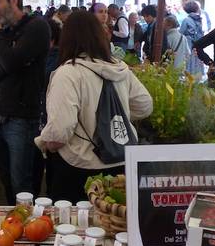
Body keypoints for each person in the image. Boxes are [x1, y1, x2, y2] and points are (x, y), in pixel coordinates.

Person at [36, 11, 153, 202]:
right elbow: (145, 105)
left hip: (80, 166)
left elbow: (59, 131)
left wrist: (46, 144)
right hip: (121, 162)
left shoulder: (68, 73)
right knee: (113, 222)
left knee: (76, 225)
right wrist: (115, 119)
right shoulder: (120, 68)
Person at [0, 0, 50, 202]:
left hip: (21, 119)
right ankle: (14, 223)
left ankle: (27, 227)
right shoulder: (7, 32)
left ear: (14, 0)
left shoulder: (36, 27)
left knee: (21, 182)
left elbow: (11, 63)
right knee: (6, 178)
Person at [179, 0, 205, 76]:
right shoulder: (199, 19)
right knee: (197, 59)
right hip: (198, 43)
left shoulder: (186, 20)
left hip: (189, 43)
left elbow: (181, 33)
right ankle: (197, 75)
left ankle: (189, 76)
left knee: (189, 60)